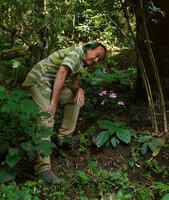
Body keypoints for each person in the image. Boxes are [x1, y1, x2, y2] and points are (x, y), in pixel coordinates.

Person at [22, 42, 106, 183]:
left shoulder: (81, 64)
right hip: (38, 81)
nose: (96, 60)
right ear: (89, 48)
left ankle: (64, 137)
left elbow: (73, 85)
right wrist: (53, 104)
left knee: (75, 98)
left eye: (99, 60)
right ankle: (42, 168)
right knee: (47, 118)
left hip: (50, 85)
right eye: (96, 55)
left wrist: (79, 90)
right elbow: (61, 74)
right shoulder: (77, 53)